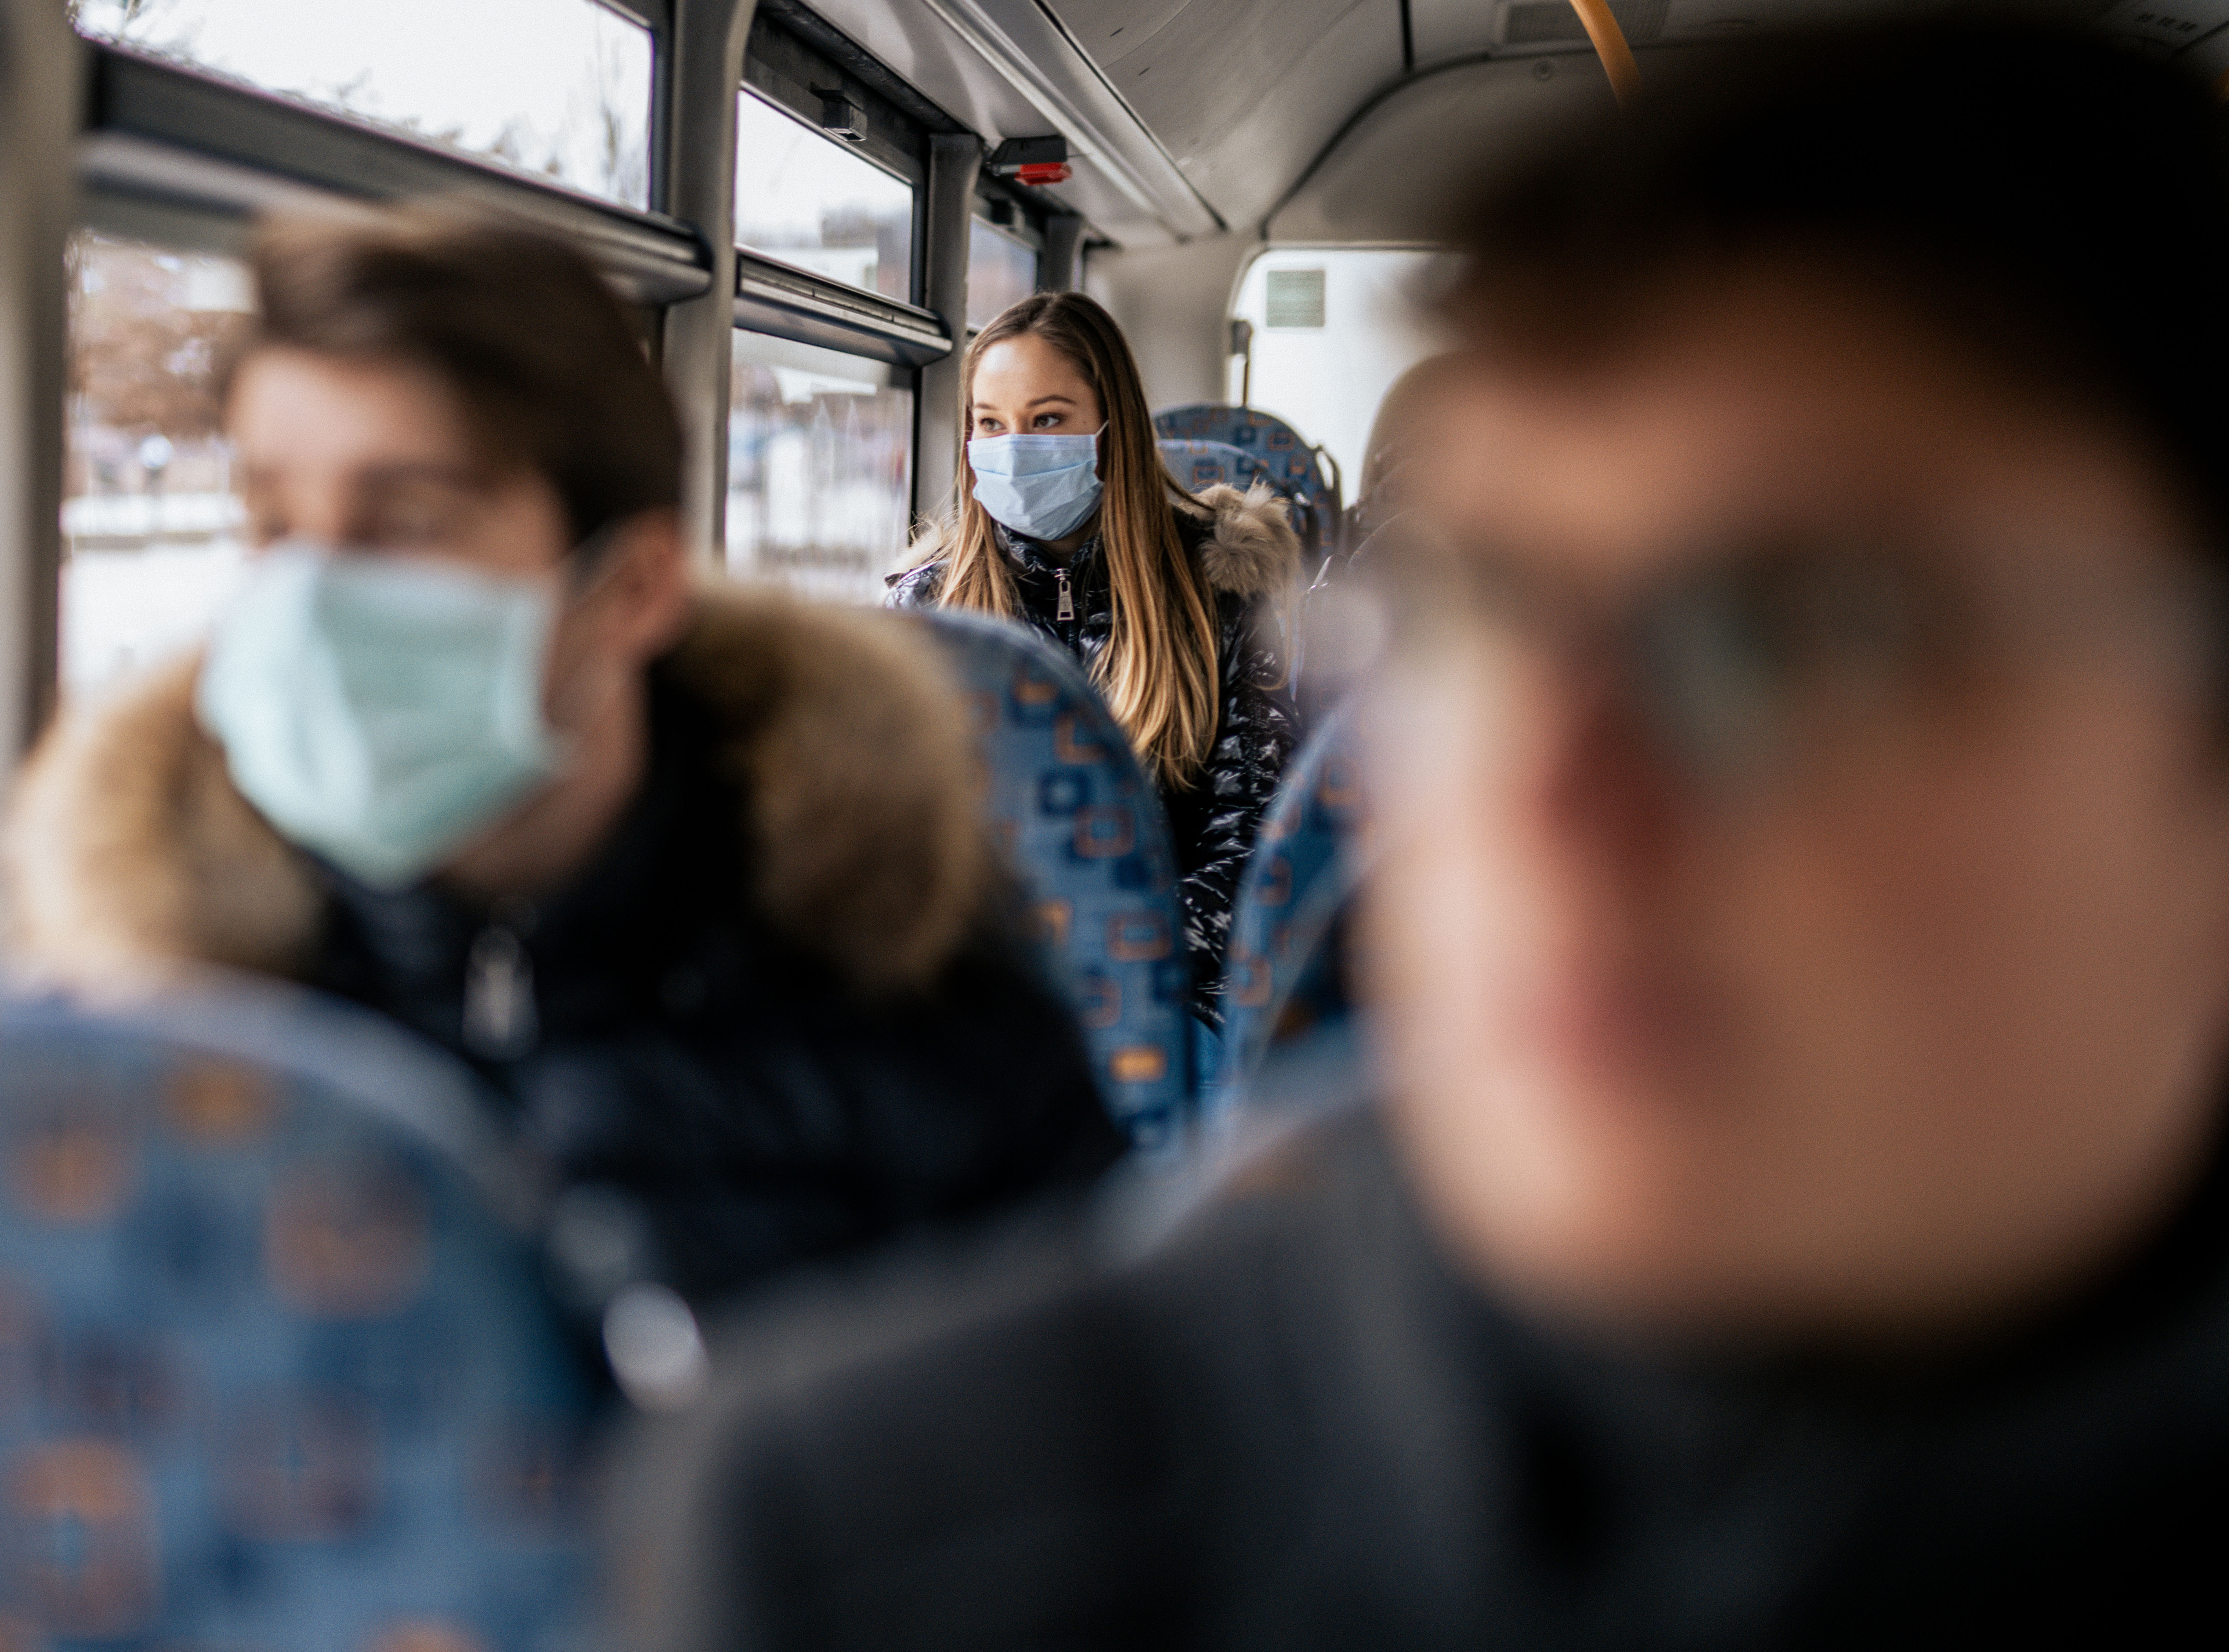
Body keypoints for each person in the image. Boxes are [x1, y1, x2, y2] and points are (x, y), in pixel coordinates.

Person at [624, 19, 2229, 1644]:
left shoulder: (1211, 597)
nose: (1547, 792)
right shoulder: (875, 1545)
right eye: (1486, 615)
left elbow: (1241, 861)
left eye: (1810, 636)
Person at [2, 207, 1122, 1314]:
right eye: (274, 522)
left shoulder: (922, 1012)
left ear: (630, 587)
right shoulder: (136, 1023)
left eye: (407, 520)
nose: (311, 593)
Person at [887, 293, 1302, 1040]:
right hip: (971, 999)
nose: (1015, 446)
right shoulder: (925, 615)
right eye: (991, 423)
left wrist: (1105, 964)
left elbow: (1254, 844)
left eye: (1047, 420)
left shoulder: (1220, 591)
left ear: (1111, 431)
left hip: (1174, 992)